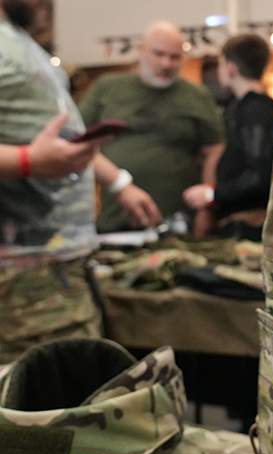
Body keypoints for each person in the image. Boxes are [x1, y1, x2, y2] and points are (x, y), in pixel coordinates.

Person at [0, 0, 160, 364]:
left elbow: (61, 139)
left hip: (57, 269)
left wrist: (119, 182)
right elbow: (37, 153)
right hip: (23, 280)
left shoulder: (21, 42)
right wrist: (27, 162)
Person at [80, 21, 225, 236]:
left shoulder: (197, 96)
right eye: (158, 54)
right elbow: (77, 142)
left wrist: (206, 207)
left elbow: (214, 149)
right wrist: (119, 183)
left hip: (179, 222)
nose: (166, 63)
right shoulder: (107, 88)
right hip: (117, 221)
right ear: (141, 50)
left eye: (174, 57)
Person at [182, 34, 273, 241]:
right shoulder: (246, 108)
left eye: (221, 63)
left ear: (230, 68)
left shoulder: (256, 110)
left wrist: (212, 194)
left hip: (253, 228)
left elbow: (261, 176)